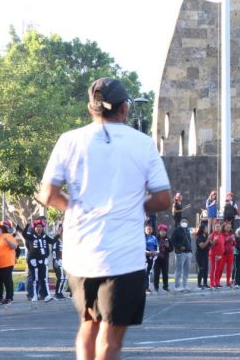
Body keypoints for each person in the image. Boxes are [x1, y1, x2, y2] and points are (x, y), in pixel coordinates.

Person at [37, 77, 171, 360]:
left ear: (90, 108)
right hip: (124, 256)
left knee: (88, 326)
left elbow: (47, 194)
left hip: (81, 253)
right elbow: (163, 199)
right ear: (124, 108)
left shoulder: (69, 140)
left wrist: (74, 208)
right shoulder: (142, 143)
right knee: (110, 339)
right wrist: (135, 205)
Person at [20, 218, 57, 302]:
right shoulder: (31, 236)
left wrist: (58, 234)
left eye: (40, 227)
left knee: (44, 278)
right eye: (37, 227)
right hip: (33, 260)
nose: (39, 228)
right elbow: (24, 234)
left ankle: (47, 295)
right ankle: (34, 296)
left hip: (43, 259)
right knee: (35, 278)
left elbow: (52, 241)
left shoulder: (45, 236)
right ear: (34, 228)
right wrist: (27, 225)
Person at [0, 223, 17, 304]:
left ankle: (9, 297)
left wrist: (8, 241)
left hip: (7, 263)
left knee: (7, 280)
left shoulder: (7, 236)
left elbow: (14, 247)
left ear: (0, 230)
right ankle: (0, 298)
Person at [172, 218, 193, 292]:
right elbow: (172, 241)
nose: (184, 222)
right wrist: (179, 246)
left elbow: (189, 241)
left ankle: (185, 285)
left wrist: (191, 251)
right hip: (180, 253)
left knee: (186, 271)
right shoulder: (176, 230)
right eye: (183, 221)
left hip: (188, 253)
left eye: (186, 221)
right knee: (179, 270)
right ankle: (177, 286)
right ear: (180, 222)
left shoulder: (187, 230)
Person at [153, 224, 173, 292]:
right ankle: (156, 287)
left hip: (165, 259)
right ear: (159, 231)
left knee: (165, 273)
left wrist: (168, 246)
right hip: (157, 259)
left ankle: (165, 287)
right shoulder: (155, 238)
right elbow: (152, 247)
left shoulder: (168, 239)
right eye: (161, 231)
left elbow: (171, 249)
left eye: (164, 231)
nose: (163, 232)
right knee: (156, 273)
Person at [52, 224, 68, 300]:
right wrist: (55, 260)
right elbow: (54, 251)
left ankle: (60, 292)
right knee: (61, 278)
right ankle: (57, 294)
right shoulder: (56, 240)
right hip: (58, 261)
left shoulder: (64, 241)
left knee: (64, 278)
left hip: (64, 261)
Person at [208, 223, 225, 288]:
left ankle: (217, 282)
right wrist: (214, 241)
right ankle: (212, 283)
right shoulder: (212, 235)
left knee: (218, 269)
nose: (218, 228)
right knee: (213, 268)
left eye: (219, 227)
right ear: (214, 228)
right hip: (213, 254)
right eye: (217, 227)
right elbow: (211, 245)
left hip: (220, 254)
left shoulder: (221, 235)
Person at [195, 224, 211, 289]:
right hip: (200, 255)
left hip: (205, 255)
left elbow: (210, 244)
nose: (207, 229)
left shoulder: (206, 236)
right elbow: (202, 246)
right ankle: (199, 284)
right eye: (206, 228)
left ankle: (205, 283)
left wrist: (214, 241)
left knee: (206, 269)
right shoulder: (199, 237)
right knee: (201, 269)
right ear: (203, 229)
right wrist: (208, 240)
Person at [221, 222, 236, 287]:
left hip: (230, 253)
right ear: (224, 227)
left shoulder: (231, 234)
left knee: (229, 268)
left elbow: (235, 244)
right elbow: (221, 242)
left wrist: (233, 240)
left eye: (229, 227)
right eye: (227, 227)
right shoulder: (221, 234)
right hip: (223, 253)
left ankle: (228, 281)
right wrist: (227, 239)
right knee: (221, 268)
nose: (228, 229)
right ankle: (217, 281)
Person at [144, 225, 158, 294]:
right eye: (147, 229)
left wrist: (155, 252)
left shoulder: (153, 237)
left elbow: (157, 247)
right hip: (144, 257)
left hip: (152, 257)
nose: (149, 230)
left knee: (148, 272)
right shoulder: (142, 238)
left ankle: (147, 287)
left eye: (150, 229)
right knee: (145, 272)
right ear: (145, 230)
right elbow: (141, 247)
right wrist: (147, 252)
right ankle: (145, 288)